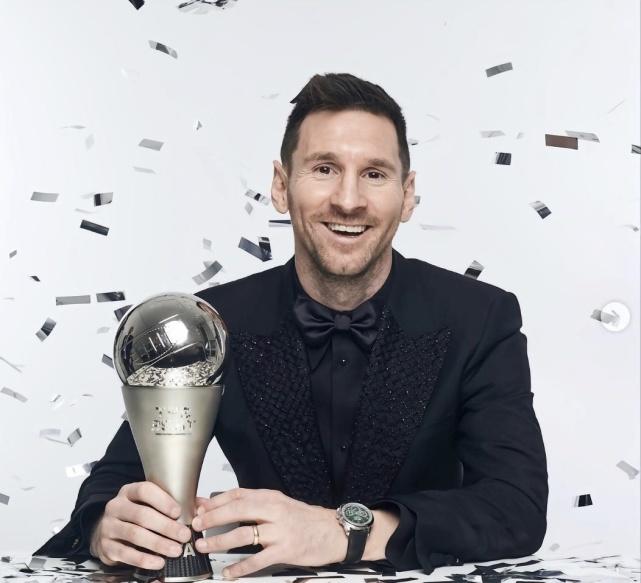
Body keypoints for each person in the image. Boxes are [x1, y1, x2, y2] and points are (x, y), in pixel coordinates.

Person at [35, 73, 548, 576]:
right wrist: (106, 527)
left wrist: (344, 533)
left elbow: (516, 508)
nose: (348, 200)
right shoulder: (212, 323)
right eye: (324, 169)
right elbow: (110, 488)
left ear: (407, 194)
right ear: (281, 186)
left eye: (374, 174)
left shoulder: (481, 317)